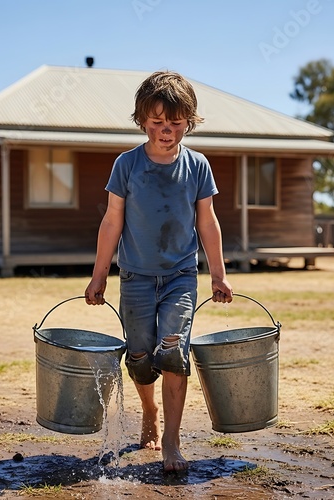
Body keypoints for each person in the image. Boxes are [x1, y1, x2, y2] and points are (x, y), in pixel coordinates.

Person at [84, 70, 233, 473]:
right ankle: (149, 411)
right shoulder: (127, 165)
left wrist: (218, 273)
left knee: (173, 352)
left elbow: (207, 222)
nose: (166, 131)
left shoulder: (198, 166)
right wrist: (99, 274)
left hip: (181, 277)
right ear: (141, 121)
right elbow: (112, 221)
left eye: (175, 123)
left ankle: (172, 440)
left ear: (189, 122)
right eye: (157, 123)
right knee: (139, 357)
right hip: (135, 277)